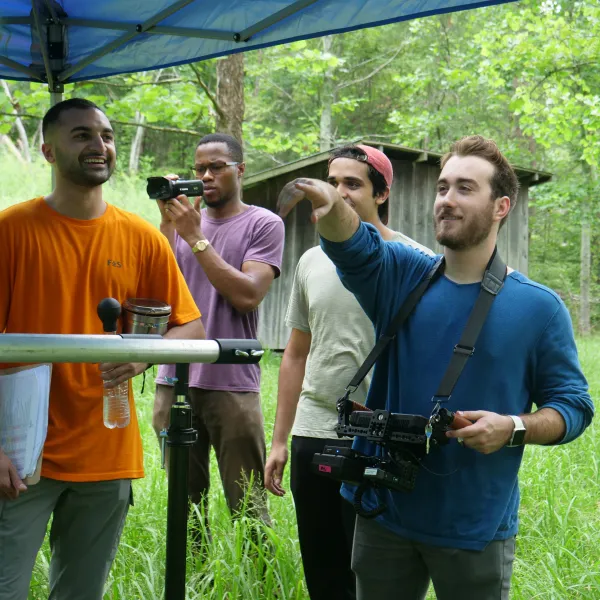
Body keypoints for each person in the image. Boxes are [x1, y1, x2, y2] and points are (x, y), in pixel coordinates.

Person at [277, 135, 594, 600]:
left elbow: (574, 407)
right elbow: (354, 246)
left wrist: (512, 427)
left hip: (473, 527)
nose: (447, 199)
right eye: (442, 188)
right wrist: (331, 202)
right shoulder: (402, 274)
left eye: (465, 188)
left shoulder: (539, 308)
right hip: (383, 512)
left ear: (501, 206)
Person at [0, 98, 204, 600]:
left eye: (107, 135)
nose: (100, 145)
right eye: (82, 135)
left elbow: (192, 329)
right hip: (20, 457)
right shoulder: (10, 231)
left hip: (105, 451)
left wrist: (144, 353)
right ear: (48, 151)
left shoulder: (141, 237)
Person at [265, 144, 432, 600]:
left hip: (379, 438)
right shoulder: (310, 261)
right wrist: (281, 439)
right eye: (332, 182)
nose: (337, 193)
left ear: (382, 194)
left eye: (352, 184)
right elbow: (296, 353)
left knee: (374, 575)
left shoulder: (416, 261)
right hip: (314, 430)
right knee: (324, 571)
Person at [153, 133, 285, 543]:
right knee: (184, 505)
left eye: (216, 167)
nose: (206, 176)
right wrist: (167, 224)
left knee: (247, 508)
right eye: (199, 170)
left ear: (240, 170)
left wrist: (194, 237)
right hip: (176, 380)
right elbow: (159, 298)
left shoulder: (263, 223)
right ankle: (194, 582)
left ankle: (257, 584)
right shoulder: (179, 224)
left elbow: (247, 294)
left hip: (231, 383)